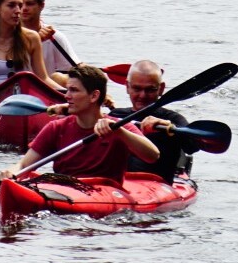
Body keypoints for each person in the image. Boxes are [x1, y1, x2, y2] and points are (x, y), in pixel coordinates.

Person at [0, 63, 160, 183]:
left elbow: (153, 155)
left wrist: (119, 133)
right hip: (64, 189)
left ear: (94, 96)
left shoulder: (117, 126)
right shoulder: (56, 128)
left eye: (74, 90)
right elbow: (24, 164)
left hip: (105, 193)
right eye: (67, 90)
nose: (67, 96)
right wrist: (10, 174)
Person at [43, 60, 196, 182]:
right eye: (137, 89)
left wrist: (169, 127)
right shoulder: (117, 114)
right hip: (120, 184)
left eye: (150, 90)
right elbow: (91, 119)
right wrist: (73, 109)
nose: (142, 95)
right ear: (127, 87)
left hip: (156, 184)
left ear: (161, 89)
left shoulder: (173, 119)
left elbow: (193, 145)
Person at [18, 0, 77, 82]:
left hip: (46, 90)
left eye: (29, 4)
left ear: (42, 6)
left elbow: (75, 71)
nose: (24, 8)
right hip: (14, 90)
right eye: (20, 4)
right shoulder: (7, 36)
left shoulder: (55, 36)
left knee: (58, 78)